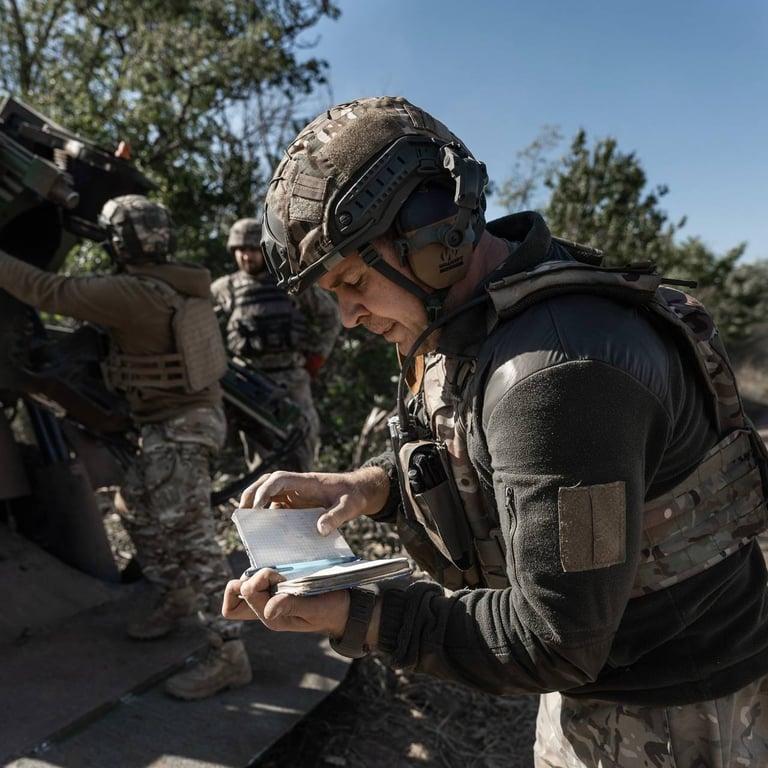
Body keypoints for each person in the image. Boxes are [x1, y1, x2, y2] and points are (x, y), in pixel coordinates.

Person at [221, 96, 768, 766]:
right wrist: (370, 487)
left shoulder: (558, 376)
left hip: (676, 714)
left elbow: (555, 638)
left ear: (435, 236)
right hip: (617, 675)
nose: (349, 316)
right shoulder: (482, 313)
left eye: (354, 280)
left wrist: (355, 614)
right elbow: (483, 455)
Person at [0, 194, 252, 701]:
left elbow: (48, 290)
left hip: (180, 428)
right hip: (176, 422)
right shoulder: (177, 282)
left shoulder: (133, 293)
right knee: (132, 504)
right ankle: (176, 595)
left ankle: (229, 653)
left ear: (119, 242)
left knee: (192, 538)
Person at [211, 217, 341, 472]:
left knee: (303, 447)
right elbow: (199, 326)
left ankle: (305, 496)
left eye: (251, 249)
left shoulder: (287, 282)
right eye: (240, 250)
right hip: (250, 384)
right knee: (260, 461)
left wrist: (316, 358)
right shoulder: (224, 288)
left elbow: (330, 315)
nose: (246, 256)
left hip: (292, 378)